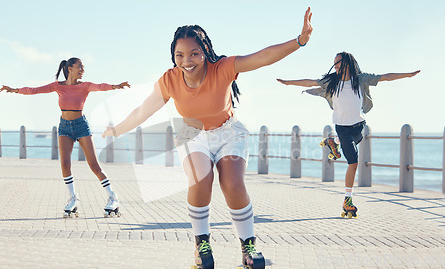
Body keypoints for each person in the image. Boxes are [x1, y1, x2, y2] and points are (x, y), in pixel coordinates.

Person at [103, 8, 313, 269]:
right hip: (193, 135)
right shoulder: (169, 80)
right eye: (179, 55)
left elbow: (262, 57)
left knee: (233, 185)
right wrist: (117, 129)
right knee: (201, 180)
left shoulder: (223, 68)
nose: (187, 60)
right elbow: (142, 111)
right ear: (173, 56)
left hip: (228, 133)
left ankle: (248, 246)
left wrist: (299, 40)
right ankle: (201, 244)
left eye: (193, 53)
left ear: (205, 51)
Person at [277, 51, 420, 218]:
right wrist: (288, 83)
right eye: (334, 63)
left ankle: (333, 142)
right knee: (353, 162)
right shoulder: (332, 80)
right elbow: (309, 81)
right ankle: (348, 199)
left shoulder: (361, 79)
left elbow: (385, 77)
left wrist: (408, 75)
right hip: (342, 128)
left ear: (347, 63)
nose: (335, 66)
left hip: (359, 126)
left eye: (338, 62)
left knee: (355, 146)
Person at [0, 57, 130, 218]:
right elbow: (34, 90)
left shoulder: (85, 86)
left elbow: (100, 87)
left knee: (94, 165)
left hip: (81, 126)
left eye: (83, 67)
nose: (82, 70)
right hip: (64, 127)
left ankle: (113, 197)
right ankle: (73, 198)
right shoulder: (57, 86)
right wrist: (14, 90)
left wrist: (115, 86)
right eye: (79, 67)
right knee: (65, 164)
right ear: (70, 68)